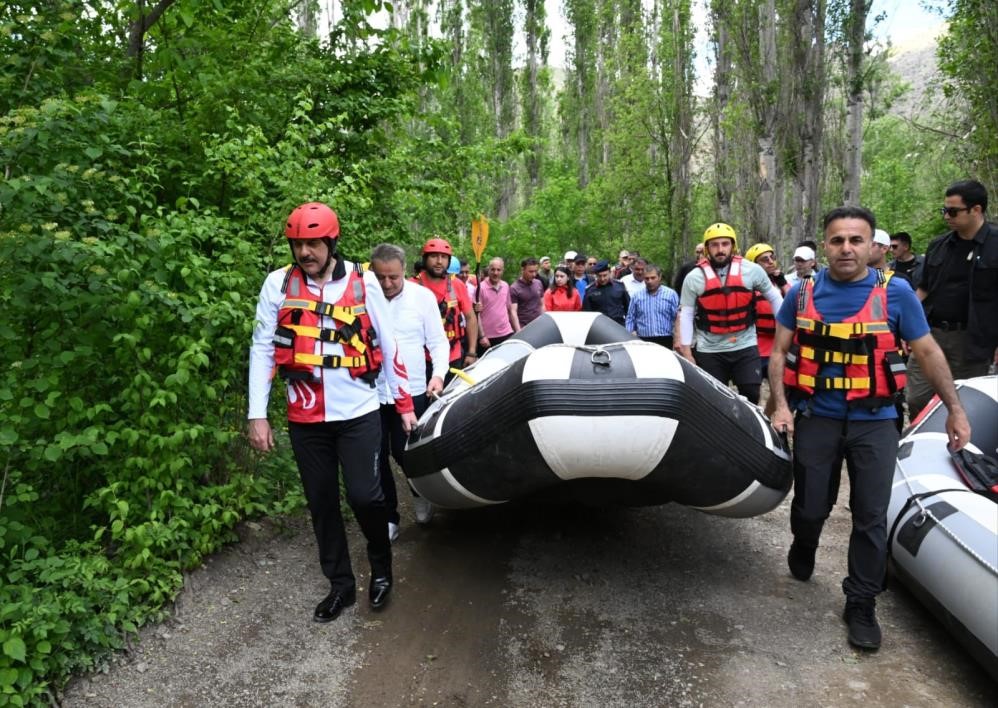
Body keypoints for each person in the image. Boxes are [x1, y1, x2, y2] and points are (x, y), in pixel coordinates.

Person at [769, 205, 970, 651]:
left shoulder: (896, 292)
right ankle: (805, 541)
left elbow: (927, 351)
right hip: (818, 415)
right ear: (826, 245)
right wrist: (781, 405)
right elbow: (780, 352)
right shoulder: (800, 294)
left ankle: (860, 601)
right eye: (838, 240)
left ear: (871, 245)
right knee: (810, 506)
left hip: (875, 420)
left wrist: (955, 409)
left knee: (870, 514)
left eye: (855, 240)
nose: (846, 248)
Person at [247, 202, 416, 622]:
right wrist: (257, 414)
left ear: (331, 243)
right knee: (322, 502)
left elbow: (388, 343)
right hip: (305, 417)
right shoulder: (277, 284)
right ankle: (340, 586)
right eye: (298, 244)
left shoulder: (364, 281)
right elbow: (263, 347)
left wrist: (404, 404)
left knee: (365, 496)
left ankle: (381, 568)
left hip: (358, 411)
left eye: (313, 244)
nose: (305, 252)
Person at [369, 244, 449, 537]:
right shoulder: (363, 296)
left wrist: (438, 375)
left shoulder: (422, 298)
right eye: (381, 277)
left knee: (406, 452)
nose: (387, 284)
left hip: (412, 388)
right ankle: (389, 517)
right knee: (377, 455)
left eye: (393, 277)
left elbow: (437, 341)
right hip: (372, 391)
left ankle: (420, 493)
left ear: (404, 270)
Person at [907, 179, 998, 416]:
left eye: (953, 211)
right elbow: (924, 288)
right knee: (917, 398)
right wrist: (905, 323)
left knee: (965, 405)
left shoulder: (995, 245)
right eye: (944, 210)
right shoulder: (939, 245)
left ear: (976, 210)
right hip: (930, 334)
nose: (947, 216)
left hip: (972, 339)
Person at [677, 223, 782, 405]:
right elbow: (686, 315)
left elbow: (775, 298)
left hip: (745, 343)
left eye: (725, 244)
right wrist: (687, 352)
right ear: (707, 248)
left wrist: (784, 329)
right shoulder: (693, 278)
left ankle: (747, 423)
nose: (720, 250)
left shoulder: (752, 271)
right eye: (714, 245)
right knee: (715, 401)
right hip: (710, 348)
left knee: (751, 392)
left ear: (733, 246)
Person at [413, 237, 479, 375]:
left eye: (443, 257)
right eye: (434, 256)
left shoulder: (457, 285)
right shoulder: (411, 286)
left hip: (452, 356)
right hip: (421, 359)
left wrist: (471, 352)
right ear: (425, 259)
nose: (439, 261)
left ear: (448, 261)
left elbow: (470, 318)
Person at [744, 242, 790, 410]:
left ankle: (768, 419)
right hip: (754, 348)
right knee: (751, 393)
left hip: (777, 347)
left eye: (772, 257)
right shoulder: (746, 286)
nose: (771, 262)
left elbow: (798, 304)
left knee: (781, 391)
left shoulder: (780, 285)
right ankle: (751, 419)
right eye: (765, 259)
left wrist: (783, 283)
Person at [626, 264, 679, 347]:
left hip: (665, 338)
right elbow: (630, 318)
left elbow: (677, 317)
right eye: (647, 278)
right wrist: (629, 336)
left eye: (653, 278)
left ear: (659, 277)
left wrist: (678, 337)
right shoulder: (637, 296)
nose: (650, 281)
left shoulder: (670, 294)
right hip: (643, 339)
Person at [475, 257, 520, 353]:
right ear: (488, 270)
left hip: (506, 333)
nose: (495, 273)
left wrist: (518, 331)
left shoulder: (505, 286)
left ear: (502, 271)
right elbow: (476, 314)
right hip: (488, 337)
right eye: (493, 269)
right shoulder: (480, 288)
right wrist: (482, 336)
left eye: (498, 270)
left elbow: (509, 309)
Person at [583, 259, 630, 325]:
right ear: (596, 275)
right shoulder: (590, 290)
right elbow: (587, 313)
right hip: (600, 327)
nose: (602, 279)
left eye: (605, 275)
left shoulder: (620, 286)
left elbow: (628, 308)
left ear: (610, 273)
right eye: (599, 276)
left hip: (618, 325)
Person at [510, 257, 546, 328]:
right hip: (523, 327)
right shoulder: (514, 288)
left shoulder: (538, 283)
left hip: (538, 325)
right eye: (531, 271)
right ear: (522, 270)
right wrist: (518, 330)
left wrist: (543, 322)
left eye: (536, 271)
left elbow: (542, 304)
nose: (534, 274)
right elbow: (513, 312)